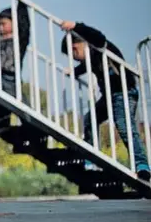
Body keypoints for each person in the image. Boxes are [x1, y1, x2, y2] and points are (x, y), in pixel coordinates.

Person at [60, 20, 150, 181]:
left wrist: (76, 26)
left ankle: (141, 165)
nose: (76, 60)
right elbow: (84, 67)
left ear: (76, 47)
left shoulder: (100, 47)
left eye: (74, 56)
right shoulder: (91, 60)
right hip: (109, 97)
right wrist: (73, 71)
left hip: (124, 93)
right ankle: (91, 157)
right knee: (90, 119)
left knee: (124, 126)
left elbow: (97, 36)